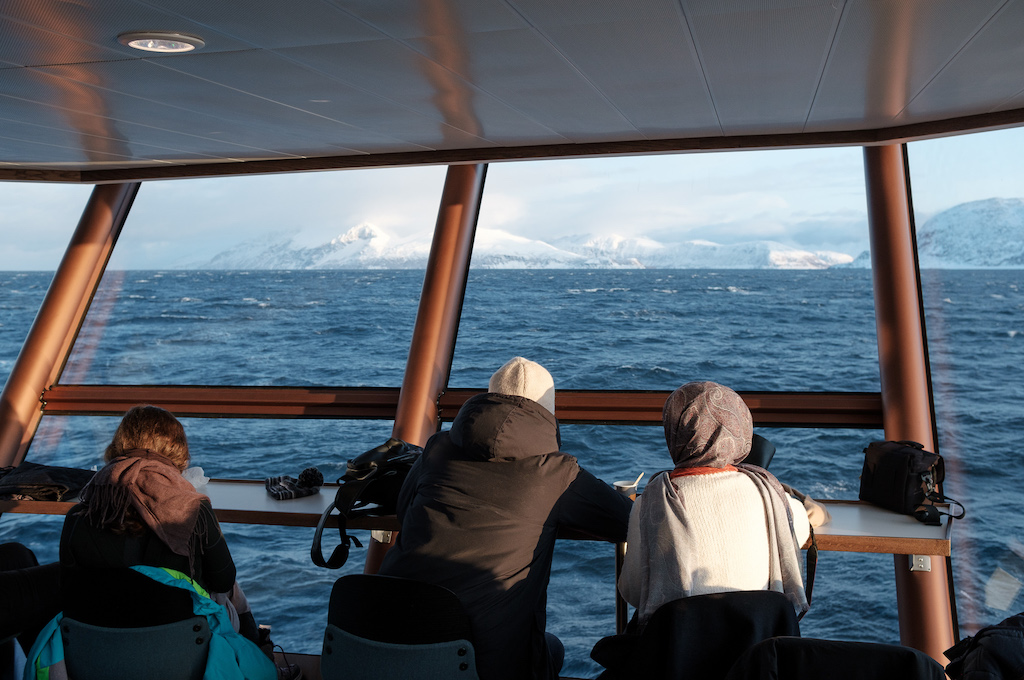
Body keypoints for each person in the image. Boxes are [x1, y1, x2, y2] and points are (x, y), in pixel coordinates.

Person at [379, 357, 633, 680]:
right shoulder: (556, 474)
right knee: (551, 649)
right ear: (547, 414)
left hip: (381, 637)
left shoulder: (438, 447)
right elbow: (626, 519)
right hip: (476, 661)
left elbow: (404, 508)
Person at [53, 405, 295, 680]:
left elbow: (68, 586)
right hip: (181, 652)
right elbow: (223, 580)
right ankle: (263, 665)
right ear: (176, 450)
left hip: (95, 652)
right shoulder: (192, 510)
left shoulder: (80, 514)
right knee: (230, 589)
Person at [618, 381, 823, 629]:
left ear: (673, 432)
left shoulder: (652, 502)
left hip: (678, 660)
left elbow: (632, 591)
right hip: (757, 657)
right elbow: (807, 524)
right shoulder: (771, 496)